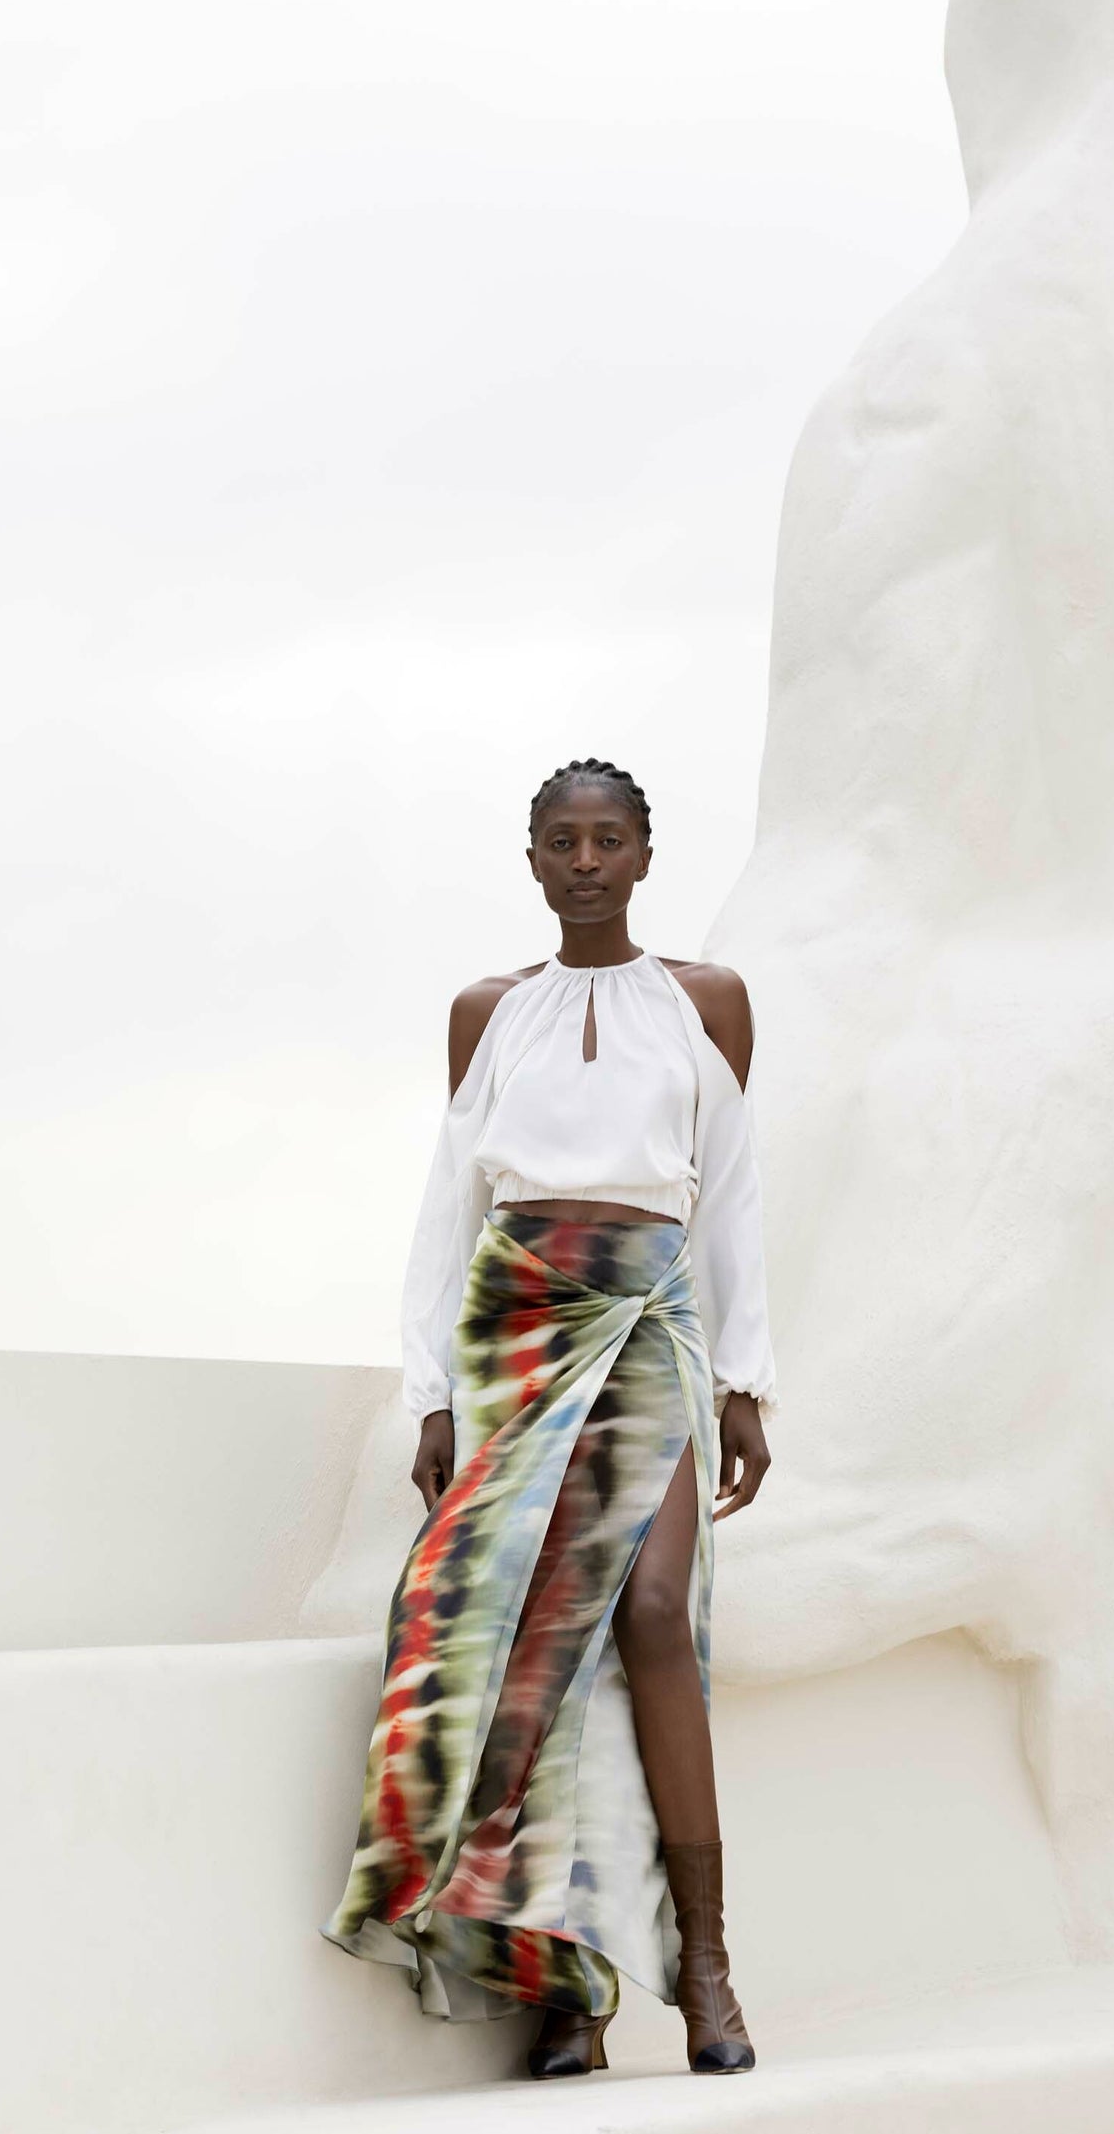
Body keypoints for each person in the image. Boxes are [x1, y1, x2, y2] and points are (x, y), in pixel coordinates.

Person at [321, 756, 778, 2081]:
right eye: (561, 841)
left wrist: (748, 1379)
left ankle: (704, 1965)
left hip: (646, 1313)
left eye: (610, 839)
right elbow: (449, 1201)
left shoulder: (708, 1002)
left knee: (647, 1613)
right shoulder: (487, 1012)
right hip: (513, 1323)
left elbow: (736, 1194)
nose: (585, 861)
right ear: (531, 858)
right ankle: (559, 1977)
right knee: (517, 1638)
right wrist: (432, 1393)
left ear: (645, 855)